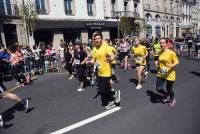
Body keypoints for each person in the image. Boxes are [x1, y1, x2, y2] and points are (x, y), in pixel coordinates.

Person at [89, 32, 120, 110]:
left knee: (102, 90)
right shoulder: (95, 48)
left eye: (98, 38)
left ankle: (114, 95)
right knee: (104, 89)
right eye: (95, 39)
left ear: (101, 39)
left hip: (106, 72)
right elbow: (94, 58)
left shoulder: (106, 47)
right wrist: (90, 62)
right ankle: (110, 101)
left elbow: (112, 55)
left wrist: (111, 58)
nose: (97, 40)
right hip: (99, 72)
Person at [156, 38, 179, 107]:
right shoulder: (159, 52)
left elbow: (177, 61)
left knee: (169, 89)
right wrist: (157, 64)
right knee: (158, 88)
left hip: (170, 73)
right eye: (160, 43)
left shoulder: (171, 53)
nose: (161, 44)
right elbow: (158, 60)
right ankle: (165, 94)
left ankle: (173, 99)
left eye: (163, 43)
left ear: (166, 44)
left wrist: (171, 65)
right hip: (162, 72)